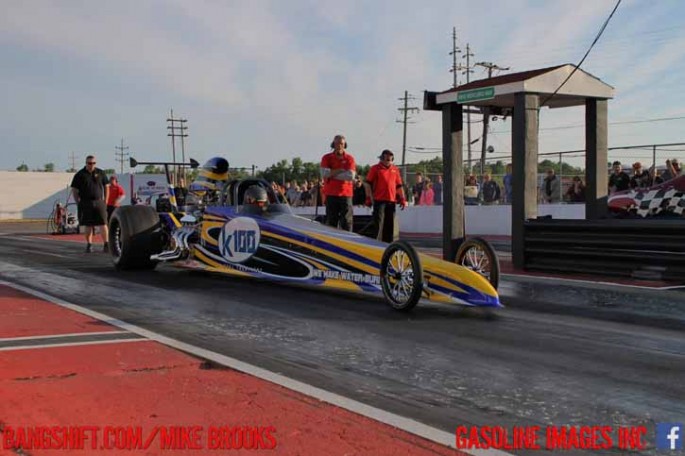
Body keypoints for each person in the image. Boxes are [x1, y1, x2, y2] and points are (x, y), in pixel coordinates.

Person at [364, 149, 407, 242]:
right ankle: (375, 243)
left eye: (391, 159)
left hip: (391, 201)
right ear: (382, 158)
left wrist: (403, 198)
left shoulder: (395, 169)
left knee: (390, 225)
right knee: (378, 224)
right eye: (387, 159)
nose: (389, 161)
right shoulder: (375, 168)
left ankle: (388, 245)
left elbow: (399, 185)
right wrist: (368, 197)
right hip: (379, 200)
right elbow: (367, 183)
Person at [71, 155, 110, 253]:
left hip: (99, 201)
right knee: (88, 225)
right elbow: (74, 189)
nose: (91, 165)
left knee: (103, 223)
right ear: (86, 163)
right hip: (85, 202)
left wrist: (106, 200)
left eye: (93, 163)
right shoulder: (80, 174)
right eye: (89, 163)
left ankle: (106, 244)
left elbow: (106, 186)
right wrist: (78, 202)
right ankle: (89, 244)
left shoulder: (100, 173)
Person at [320, 134, 356, 231]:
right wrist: (340, 170)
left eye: (342, 144)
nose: (339, 146)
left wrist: (332, 173)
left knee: (347, 222)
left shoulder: (350, 159)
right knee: (331, 221)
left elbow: (350, 176)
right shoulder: (326, 158)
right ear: (333, 144)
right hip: (331, 194)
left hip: (346, 194)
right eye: (337, 143)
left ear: (345, 145)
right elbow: (324, 173)